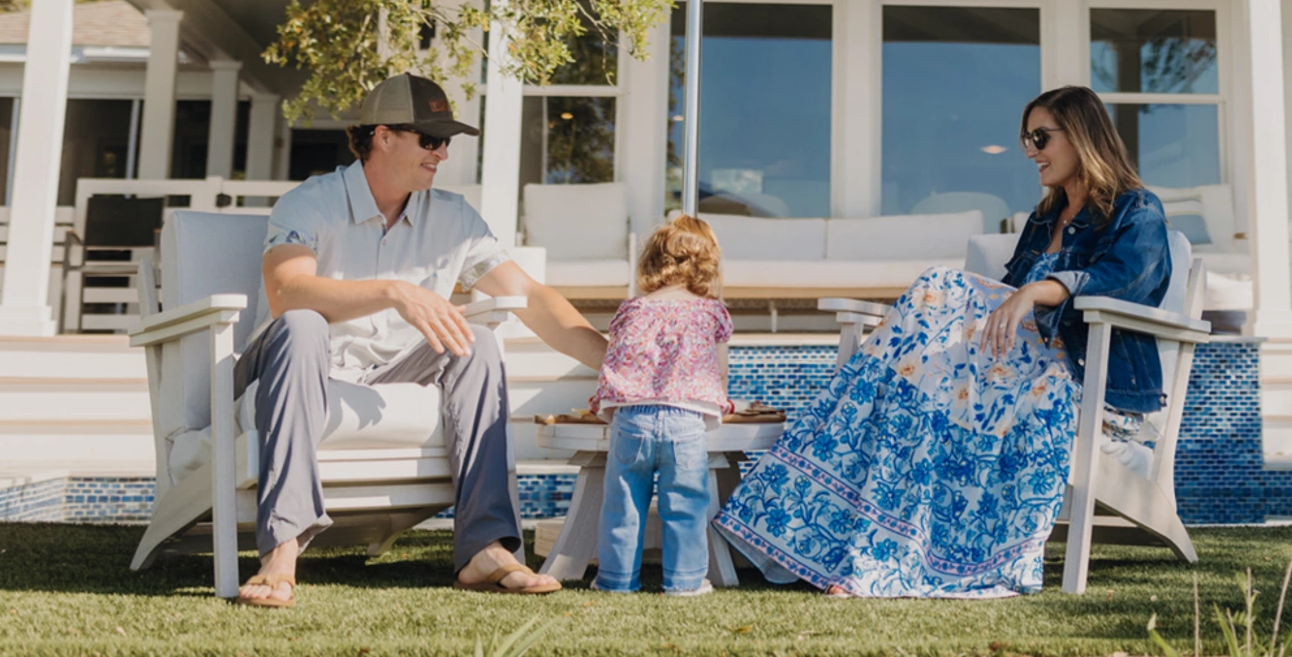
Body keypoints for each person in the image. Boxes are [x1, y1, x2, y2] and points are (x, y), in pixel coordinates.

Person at [715, 85, 1170, 597]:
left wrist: (1039, 290)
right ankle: (869, 552)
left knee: (938, 291)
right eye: (1026, 138)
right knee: (910, 384)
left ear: (1083, 135)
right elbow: (1001, 301)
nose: (1029, 151)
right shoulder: (1045, 217)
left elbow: (1128, 276)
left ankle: (868, 551)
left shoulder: (1136, 209)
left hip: (1093, 381)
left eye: (1040, 137)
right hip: (1016, 371)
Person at [235, 73, 609, 608]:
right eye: (430, 140)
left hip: (389, 369)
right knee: (303, 323)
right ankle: (283, 547)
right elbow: (287, 292)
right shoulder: (309, 202)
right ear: (383, 136)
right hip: (294, 362)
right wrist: (394, 291)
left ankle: (486, 548)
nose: (443, 153)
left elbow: (527, 294)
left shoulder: (454, 217)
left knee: (475, 340)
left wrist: (620, 362)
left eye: (446, 141)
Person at [588, 213, 733, 595]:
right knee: (685, 506)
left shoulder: (633, 309)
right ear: (707, 265)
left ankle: (615, 582)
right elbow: (719, 373)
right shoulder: (712, 311)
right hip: (686, 421)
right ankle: (684, 583)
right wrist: (722, 404)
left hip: (631, 418)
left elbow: (614, 360)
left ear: (652, 262)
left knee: (622, 506)